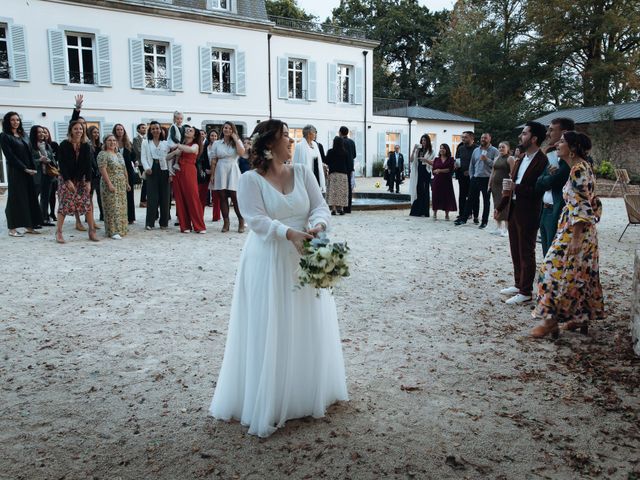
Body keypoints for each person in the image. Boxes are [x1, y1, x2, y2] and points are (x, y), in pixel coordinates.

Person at [209, 119, 348, 437]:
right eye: (286, 136)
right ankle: (270, 395)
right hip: (268, 259)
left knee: (307, 319)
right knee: (271, 323)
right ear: (269, 144)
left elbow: (321, 207)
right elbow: (256, 220)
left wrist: (317, 227)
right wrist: (288, 233)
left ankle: (304, 389)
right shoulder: (249, 181)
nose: (292, 141)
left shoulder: (303, 172)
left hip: (307, 254)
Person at [531, 131, 604, 338]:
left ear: (572, 148)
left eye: (562, 142)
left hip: (576, 230)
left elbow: (582, 204)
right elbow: (593, 201)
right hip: (578, 228)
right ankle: (577, 316)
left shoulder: (578, 170)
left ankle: (550, 321)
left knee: (551, 269)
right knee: (579, 274)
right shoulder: (582, 167)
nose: (557, 144)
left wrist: (576, 237)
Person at [495, 121, 548, 305]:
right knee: (515, 250)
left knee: (526, 251)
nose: (521, 136)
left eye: (524, 134)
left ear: (534, 138)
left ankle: (526, 291)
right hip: (514, 209)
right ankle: (518, 284)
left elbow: (537, 190)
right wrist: (501, 206)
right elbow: (510, 185)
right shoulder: (521, 158)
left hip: (529, 211)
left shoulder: (542, 161)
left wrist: (516, 186)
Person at [55, 120, 99, 243]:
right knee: (64, 205)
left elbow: (88, 165)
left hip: (81, 179)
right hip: (65, 178)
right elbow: (62, 164)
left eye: (80, 129)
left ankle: (91, 231)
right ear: (71, 131)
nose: (78, 131)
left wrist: (89, 182)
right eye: (76, 129)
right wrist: (68, 180)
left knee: (87, 204)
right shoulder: (64, 144)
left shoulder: (86, 145)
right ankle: (58, 232)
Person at [536, 117, 574, 256]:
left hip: (557, 211)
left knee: (555, 255)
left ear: (564, 132)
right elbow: (538, 183)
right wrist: (548, 178)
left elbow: (557, 180)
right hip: (545, 210)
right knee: (546, 253)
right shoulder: (552, 154)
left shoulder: (571, 160)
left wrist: (548, 178)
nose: (547, 133)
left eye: (551, 130)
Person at [1, 112, 43, 237]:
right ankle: (12, 228)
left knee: (30, 197)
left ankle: (29, 226)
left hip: (29, 171)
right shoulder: (4, 136)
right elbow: (10, 156)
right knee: (15, 199)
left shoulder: (23, 135)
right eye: (12, 120)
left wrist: (33, 167)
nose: (15, 122)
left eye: (17, 119)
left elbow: (30, 152)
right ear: (8, 122)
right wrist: (24, 168)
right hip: (16, 171)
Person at [167, 125, 207, 234]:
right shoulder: (181, 145)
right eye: (187, 130)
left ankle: (199, 226)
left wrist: (178, 146)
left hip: (189, 171)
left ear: (194, 135)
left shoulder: (195, 145)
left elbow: (191, 150)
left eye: (191, 130)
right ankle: (185, 226)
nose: (188, 131)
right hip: (178, 172)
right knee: (180, 199)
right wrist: (175, 152)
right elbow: (167, 157)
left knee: (192, 197)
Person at [455, 133, 498, 228]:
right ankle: (464, 219)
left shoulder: (494, 151)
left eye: (485, 138)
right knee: (470, 199)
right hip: (475, 178)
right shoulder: (476, 150)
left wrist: (486, 159)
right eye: (482, 138)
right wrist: (472, 176)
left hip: (487, 179)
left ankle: (484, 222)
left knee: (486, 201)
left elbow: (496, 165)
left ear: (490, 139)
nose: (483, 139)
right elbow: (472, 164)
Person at [211, 121, 245, 233]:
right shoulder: (217, 143)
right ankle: (226, 222)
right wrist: (212, 174)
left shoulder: (237, 142)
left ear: (233, 130)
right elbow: (214, 160)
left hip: (233, 169)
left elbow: (241, 153)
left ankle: (241, 221)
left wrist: (235, 139)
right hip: (220, 169)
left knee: (235, 197)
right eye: (225, 128)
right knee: (222, 197)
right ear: (223, 129)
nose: (227, 130)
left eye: (230, 128)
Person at [98, 134, 130, 239]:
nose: (112, 142)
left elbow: (124, 169)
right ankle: (113, 231)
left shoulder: (119, 154)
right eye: (109, 140)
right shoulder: (103, 154)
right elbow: (103, 170)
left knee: (121, 206)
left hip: (121, 183)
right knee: (112, 206)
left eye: (114, 140)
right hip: (110, 182)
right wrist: (109, 184)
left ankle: (122, 228)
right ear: (105, 142)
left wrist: (127, 182)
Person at [140, 121, 170, 230]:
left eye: (157, 128)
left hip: (164, 169)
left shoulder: (166, 143)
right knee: (152, 197)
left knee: (165, 197)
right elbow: (143, 157)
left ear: (160, 130)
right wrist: (147, 168)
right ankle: (150, 222)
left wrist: (171, 173)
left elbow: (169, 159)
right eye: (153, 129)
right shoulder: (145, 142)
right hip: (151, 169)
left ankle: (164, 222)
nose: (155, 130)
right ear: (150, 130)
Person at [28, 125, 56, 226]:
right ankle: (33, 221)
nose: (42, 134)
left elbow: (52, 158)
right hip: (36, 176)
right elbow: (28, 161)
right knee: (34, 199)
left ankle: (43, 219)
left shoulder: (47, 145)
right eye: (39, 132)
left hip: (47, 175)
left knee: (45, 198)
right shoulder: (29, 145)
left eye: (43, 132)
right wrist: (39, 160)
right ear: (34, 134)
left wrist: (50, 161)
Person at [489, 141, 514, 236]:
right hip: (495, 185)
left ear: (507, 148)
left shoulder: (510, 158)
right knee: (496, 205)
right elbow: (492, 172)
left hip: (505, 186)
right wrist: (489, 184)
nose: (501, 149)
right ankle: (498, 227)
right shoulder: (496, 158)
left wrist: (510, 185)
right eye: (499, 147)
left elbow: (513, 172)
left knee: (506, 206)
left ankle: (507, 229)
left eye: (503, 147)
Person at [113, 124, 137, 224]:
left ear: (124, 131)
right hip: (116, 171)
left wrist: (135, 162)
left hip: (128, 171)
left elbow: (134, 156)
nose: (120, 131)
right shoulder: (112, 143)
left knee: (129, 194)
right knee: (117, 195)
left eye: (121, 129)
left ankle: (130, 217)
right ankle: (119, 217)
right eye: (118, 129)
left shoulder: (128, 143)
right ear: (115, 131)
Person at [293, 124, 325, 192]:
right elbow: (295, 163)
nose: (315, 134)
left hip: (316, 174)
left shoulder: (315, 145)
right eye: (314, 132)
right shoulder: (299, 146)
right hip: (306, 175)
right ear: (309, 134)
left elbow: (319, 160)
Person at [409, 134, 434, 217]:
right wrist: (414, 149)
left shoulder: (431, 151)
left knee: (425, 190)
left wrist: (425, 160)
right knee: (418, 190)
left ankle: (425, 211)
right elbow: (411, 160)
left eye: (425, 140)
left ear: (428, 141)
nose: (423, 142)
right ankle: (417, 211)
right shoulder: (418, 150)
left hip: (426, 171)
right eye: (422, 140)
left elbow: (432, 163)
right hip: (418, 171)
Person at [431, 143, 457, 220]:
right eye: (440, 148)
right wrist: (436, 171)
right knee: (436, 196)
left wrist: (440, 170)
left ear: (447, 150)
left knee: (447, 197)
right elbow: (433, 170)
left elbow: (450, 169)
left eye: (443, 148)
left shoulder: (451, 159)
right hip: (437, 181)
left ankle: (447, 214)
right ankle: (434, 213)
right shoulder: (436, 159)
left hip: (446, 181)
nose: (442, 149)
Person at [454, 131, 476, 222]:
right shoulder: (460, 148)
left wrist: (470, 172)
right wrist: (456, 166)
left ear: (471, 138)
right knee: (462, 195)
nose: (463, 139)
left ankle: (473, 214)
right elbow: (457, 160)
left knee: (472, 195)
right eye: (462, 137)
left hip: (473, 176)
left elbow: (478, 163)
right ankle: (462, 214)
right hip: (461, 175)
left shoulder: (477, 149)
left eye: (465, 137)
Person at [325, 136, 349, 215]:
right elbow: (347, 163)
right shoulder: (345, 152)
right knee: (342, 192)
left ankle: (334, 209)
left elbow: (326, 161)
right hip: (343, 174)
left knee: (333, 191)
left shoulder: (330, 151)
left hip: (333, 173)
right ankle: (341, 209)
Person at [87, 126, 104, 224]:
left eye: (97, 132)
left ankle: (102, 215)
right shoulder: (88, 145)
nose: (96, 134)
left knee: (100, 195)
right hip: (92, 173)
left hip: (100, 173)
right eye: (94, 132)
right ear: (90, 133)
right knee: (89, 196)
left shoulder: (101, 145)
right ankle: (89, 217)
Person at [204, 129, 221, 222]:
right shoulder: (206, 146)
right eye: (212, 135)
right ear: (209, 136)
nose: (213, 137)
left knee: (216, 195)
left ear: (217, 137)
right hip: (207, 171)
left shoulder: (219, 146)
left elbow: (218, 160)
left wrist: (213, 171)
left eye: (215, 136)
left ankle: (216, 216)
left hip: (217, 171)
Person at [42, 127, 59, 222]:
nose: (45, 134)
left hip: (53, 172)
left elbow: (59, 157)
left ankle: (52, 212)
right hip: (44, 173)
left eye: (46, 132)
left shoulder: (53, 144)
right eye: (43, 132)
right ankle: (45, 214)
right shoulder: (40, 145)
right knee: (45, 196)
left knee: (53, 195)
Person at [339, 126, 356, 213]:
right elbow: (354, 155)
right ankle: (348, 208)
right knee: (349, 187)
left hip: (342, 167)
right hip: (350, 167)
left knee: (342, 187)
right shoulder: (352, 142)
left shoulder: (340, 141)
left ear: (340, 132)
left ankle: (342, 206)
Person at [133, 123, 148, 208]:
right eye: (142, 128)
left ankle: (146, 199)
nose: (144, 129)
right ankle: (142, 201)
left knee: (148, 182)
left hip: (148, 162)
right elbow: (138, 151)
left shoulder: (147, 138)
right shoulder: (136, 139)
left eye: (145, 128)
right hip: (141, 163)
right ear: (138, 129)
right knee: (145, 181)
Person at [166, 111, 185, 175]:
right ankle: (170, 168)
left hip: (178, 143)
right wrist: (178, 142)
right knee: (172, 155)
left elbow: (182, 136)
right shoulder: (173, 126)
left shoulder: (182, 127)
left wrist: (182, 143)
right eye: (178, 119)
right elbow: (172, 136)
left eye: (181, 119)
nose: (179, 120)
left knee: (178, 153)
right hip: (172, 143)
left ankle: (176, 164)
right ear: (174, 119)